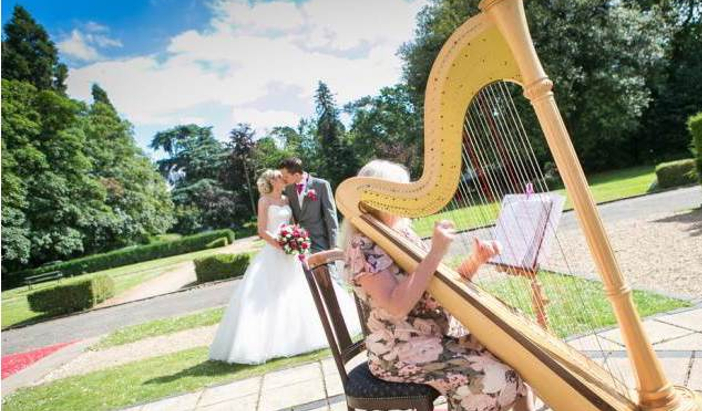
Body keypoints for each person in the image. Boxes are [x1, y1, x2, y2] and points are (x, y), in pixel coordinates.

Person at [340, 160, 534, 411]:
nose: (407, 200)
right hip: (399, 350)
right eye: (401, 193)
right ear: (378, 199)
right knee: (496, 381)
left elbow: (438, 286)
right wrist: (435, 252)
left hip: (436, 335)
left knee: (520, 358)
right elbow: (396, 306)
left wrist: (476, 260)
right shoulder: (362, 245)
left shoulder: (402, 233)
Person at [209, 169, 360, 364]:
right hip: (274, 252)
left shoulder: (286, 199)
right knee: (273, 295)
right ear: (271, 181)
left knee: (301, 290)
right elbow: (262, 231)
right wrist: (281, 245)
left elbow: (293, 225)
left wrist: (296, 241)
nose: (282, 178)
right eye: (278, 177)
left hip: (292, 252)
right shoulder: (264, 201)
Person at [279, 157, 338, 253]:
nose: (283, 180)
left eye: (286, 177)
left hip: (321, 241)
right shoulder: (288, 189)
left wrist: (334, 245)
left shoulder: (321, 185)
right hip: (300, 242)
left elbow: (330, 216)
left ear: (296, 175)